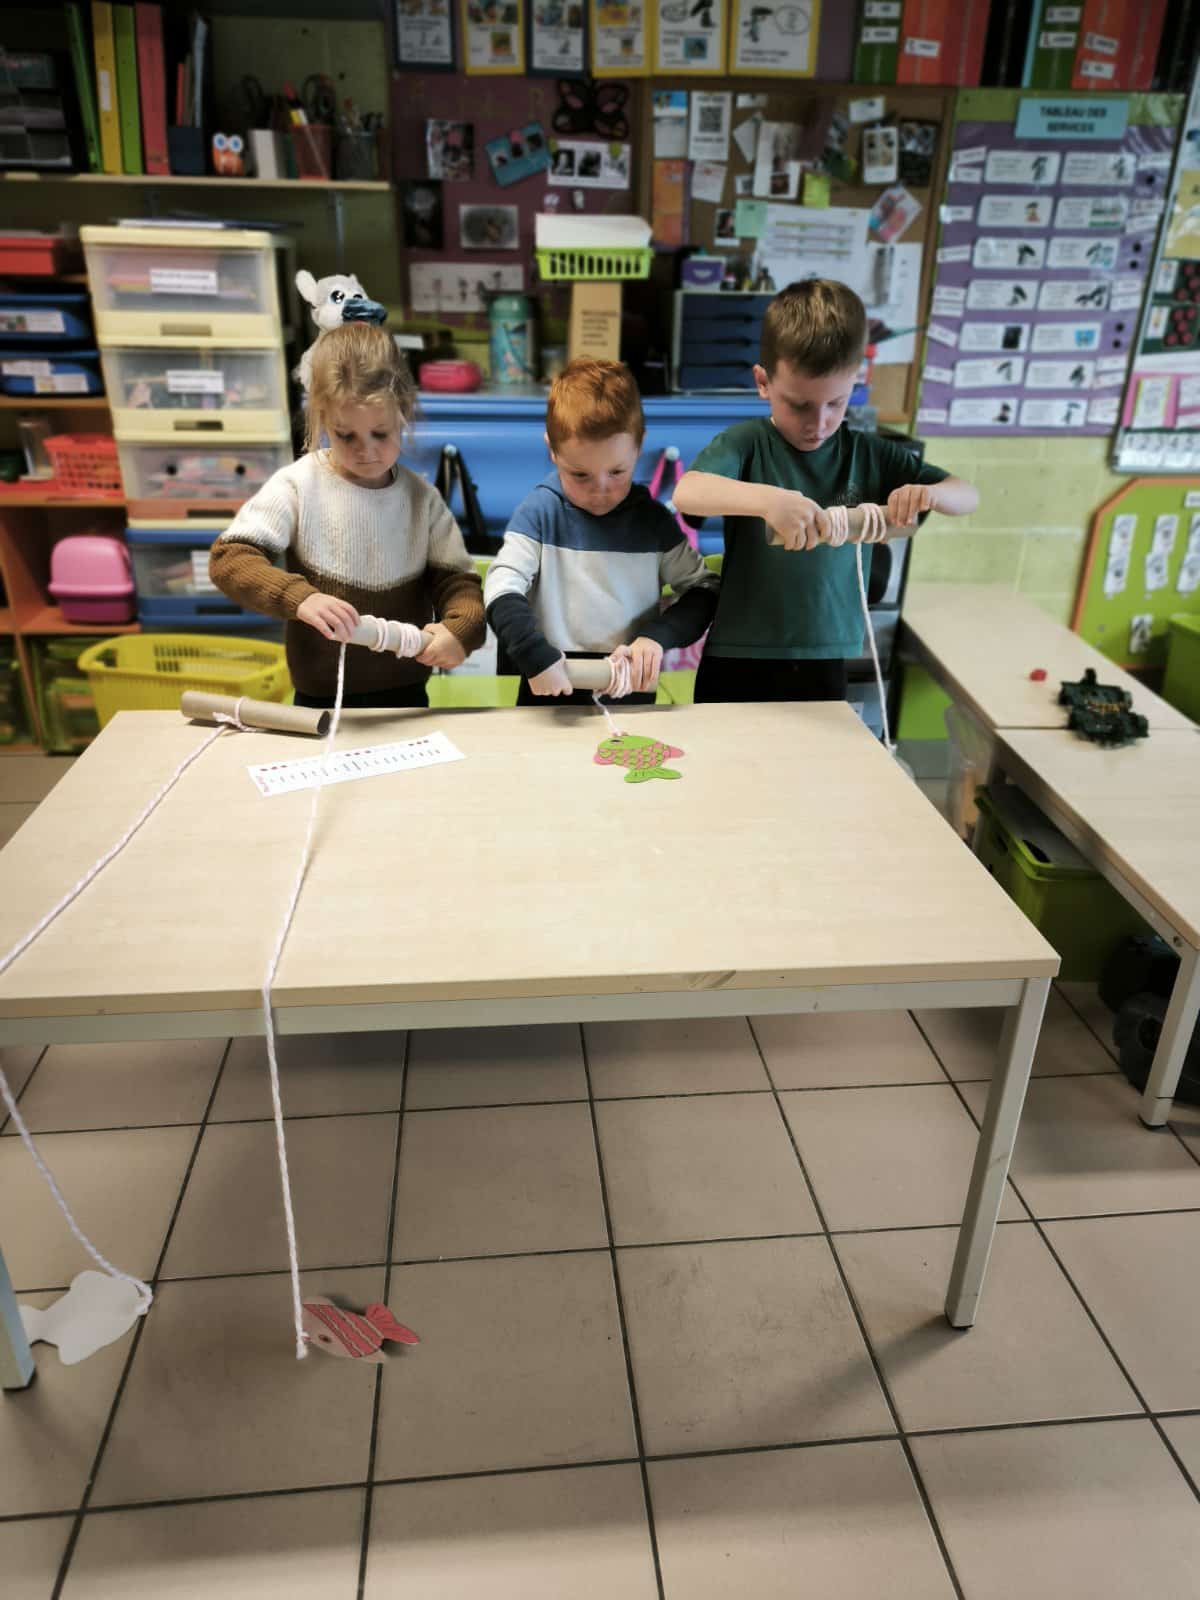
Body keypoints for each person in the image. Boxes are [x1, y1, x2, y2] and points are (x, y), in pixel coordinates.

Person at [672, 278, 979, 704]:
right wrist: (768, 500)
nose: (818, 424)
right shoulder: (746, 444)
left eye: (836, 403)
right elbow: (688, 493)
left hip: (825, 656)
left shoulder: (867, 454)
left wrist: (931, 495)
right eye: (799, 405)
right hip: (740, 653)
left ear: (855, 381)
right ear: (763, 382)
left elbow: (967, 495)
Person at [210, 322, 485, 709]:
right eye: (346, 435)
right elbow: (230, 560)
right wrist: (299, 598)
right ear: (322, 418)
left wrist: (461, 631)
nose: (365, 451)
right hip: (319, 698)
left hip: (406, 698)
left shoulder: (422, 500)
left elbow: (458, 585)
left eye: (380, 433)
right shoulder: (297, 485)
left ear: (404, 413)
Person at [484, 357, 719, 706]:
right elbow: (501, 587)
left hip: (629, 693)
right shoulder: (540, 514)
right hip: (548, 688)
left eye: (617, 472)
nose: (600, 489)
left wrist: (657, 638)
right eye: (580, 475)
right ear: (552, 450)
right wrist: (531, 651)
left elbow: (704, 590)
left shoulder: (653, 523)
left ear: (639, 446)